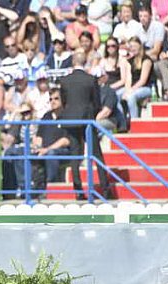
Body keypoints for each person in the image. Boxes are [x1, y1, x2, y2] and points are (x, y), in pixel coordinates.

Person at [60, 51, 107, 200]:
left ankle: (78, 190)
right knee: (96, 154)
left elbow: (64, 101)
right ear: (85, 61)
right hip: (87, 119)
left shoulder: (65, 80)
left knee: (75, 155)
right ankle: (105, 188)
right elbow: (97, 102)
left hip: (71, 119)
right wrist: (92, 112)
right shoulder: (90, 79)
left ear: (73, 62)